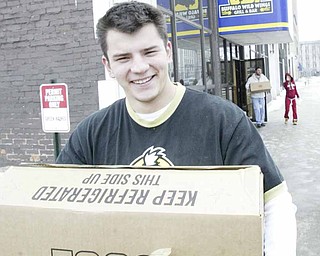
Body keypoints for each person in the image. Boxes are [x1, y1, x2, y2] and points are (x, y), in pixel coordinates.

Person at [56, 2, 297, 255]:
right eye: (123, 58)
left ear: (168, 51)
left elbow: (274, 204)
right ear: (108, 65)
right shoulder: (92, 133)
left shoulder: (224, 121)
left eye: (149, 52)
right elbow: (54, 207)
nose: (139, 67)